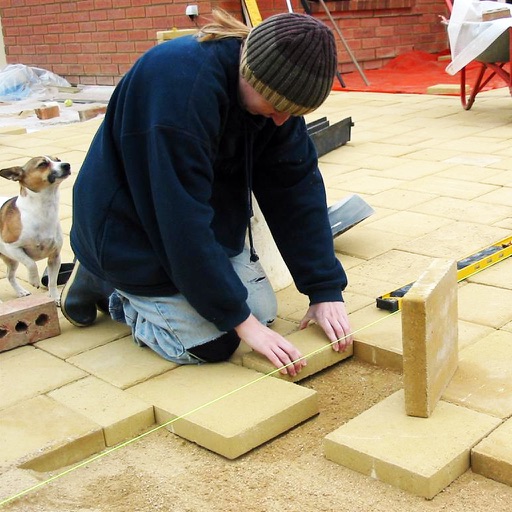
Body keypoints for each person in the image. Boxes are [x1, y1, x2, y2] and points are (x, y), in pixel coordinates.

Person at [61, 9, 353, 377]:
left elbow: (295, 189)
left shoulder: (273, 99)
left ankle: (154, 292)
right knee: (213, 343)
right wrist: (239, 322)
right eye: (279, 108)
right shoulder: (177, 89)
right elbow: (179, 217)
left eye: (293, 113)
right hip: (130, 230)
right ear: (251, 73)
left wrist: (324, 288)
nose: (282, 120)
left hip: (194, 219)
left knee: (261, 312)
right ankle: (109, 284)